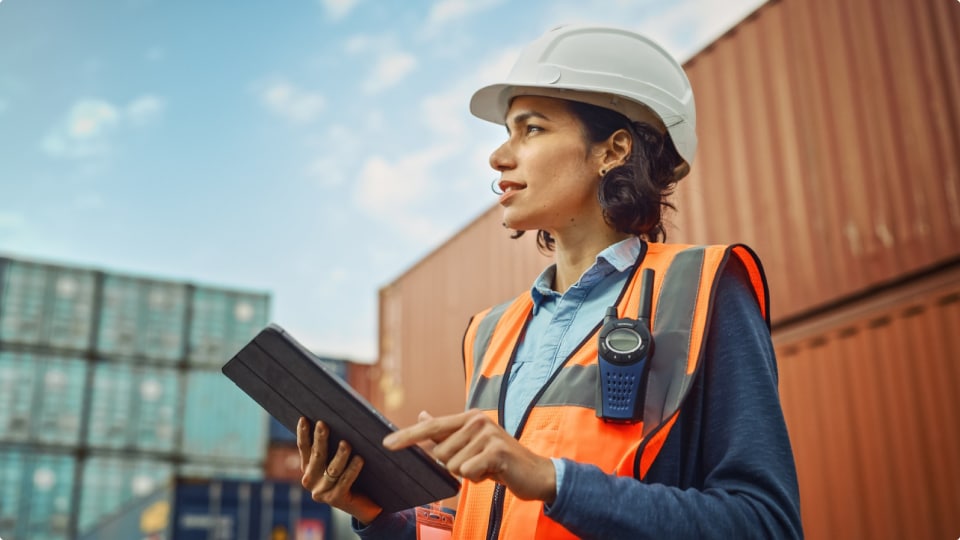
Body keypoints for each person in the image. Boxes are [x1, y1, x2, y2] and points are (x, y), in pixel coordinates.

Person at [297, 24, 803, 539]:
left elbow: (765, 525)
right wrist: (378, 516)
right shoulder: (491, 333)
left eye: (531, 129)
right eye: (505, 133)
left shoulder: (701, 291)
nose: (498, 157)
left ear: (613, 150)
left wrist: (552, 480)